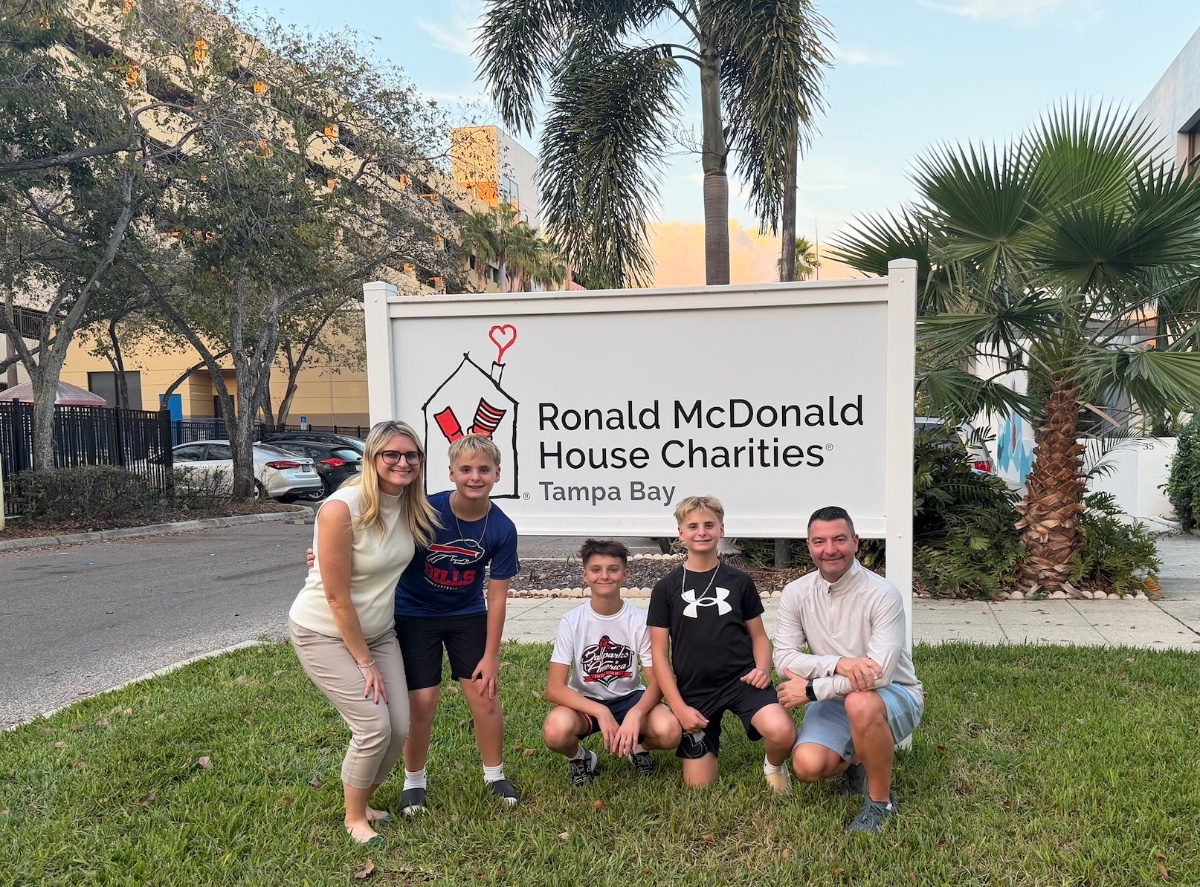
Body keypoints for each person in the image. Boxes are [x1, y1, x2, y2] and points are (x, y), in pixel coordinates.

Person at [288, 420, 439, 846]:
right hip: (324, 631)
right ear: (371, 458)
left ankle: (366, 798)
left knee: (401, 726)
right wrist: (364, 662)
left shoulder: (412, 506)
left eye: (411, 455)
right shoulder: (342, 508)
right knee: (373, 726)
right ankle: (355, 817)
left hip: (379, 632)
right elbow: (336, 598)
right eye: (391, 454)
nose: (402, 462)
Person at [773, 505, 925, 834]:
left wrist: (813, 689)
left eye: (839, 539)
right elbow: (783, 657)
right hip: (836, 696)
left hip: (892, 694)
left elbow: (879, 676)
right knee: (808, 766)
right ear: (809, 546)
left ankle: (880, 802)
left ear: (856, 542)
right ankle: (858, 760)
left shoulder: (882, 594)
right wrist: (838, 663)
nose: (830, 550)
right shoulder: (796, 593)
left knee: (861, 702)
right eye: (820, 541)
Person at [647, 495, 797, 791]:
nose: (701, 532)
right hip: (695, 689)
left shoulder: (739, 582)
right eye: (693, 526)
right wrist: (678, 707)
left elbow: (759, 637)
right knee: (698, 786)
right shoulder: (666, 588)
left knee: (782, 732)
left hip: (742, 679)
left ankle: (775, 765)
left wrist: (763, 668)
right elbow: (659, 655)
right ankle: (707, 740)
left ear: (721, 530)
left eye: (708, 525)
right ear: (681, 534)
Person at [542, 539, 682, 786]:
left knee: (670, 730)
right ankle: (581, 758)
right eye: (596, 569)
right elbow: (554, 688)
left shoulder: (640, 621)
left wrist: (636, 714)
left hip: (630, 698)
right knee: (555, 730)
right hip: (586, 701)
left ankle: (637, 747)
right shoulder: (572, 621)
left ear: (625, 574)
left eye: (613, 569)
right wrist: (600, 710)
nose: (604, 576)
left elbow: (658, 682)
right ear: (584, 575)